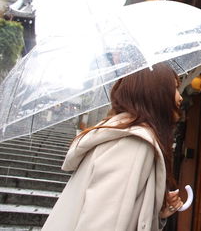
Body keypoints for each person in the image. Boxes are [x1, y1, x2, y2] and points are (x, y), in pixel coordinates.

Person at [42, 62, 185, 231]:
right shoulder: (135, 143)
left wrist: (155, 208)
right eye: (175, 88)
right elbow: (104, 224)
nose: (180, 97)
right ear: (155, 93)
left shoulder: (120, 133)